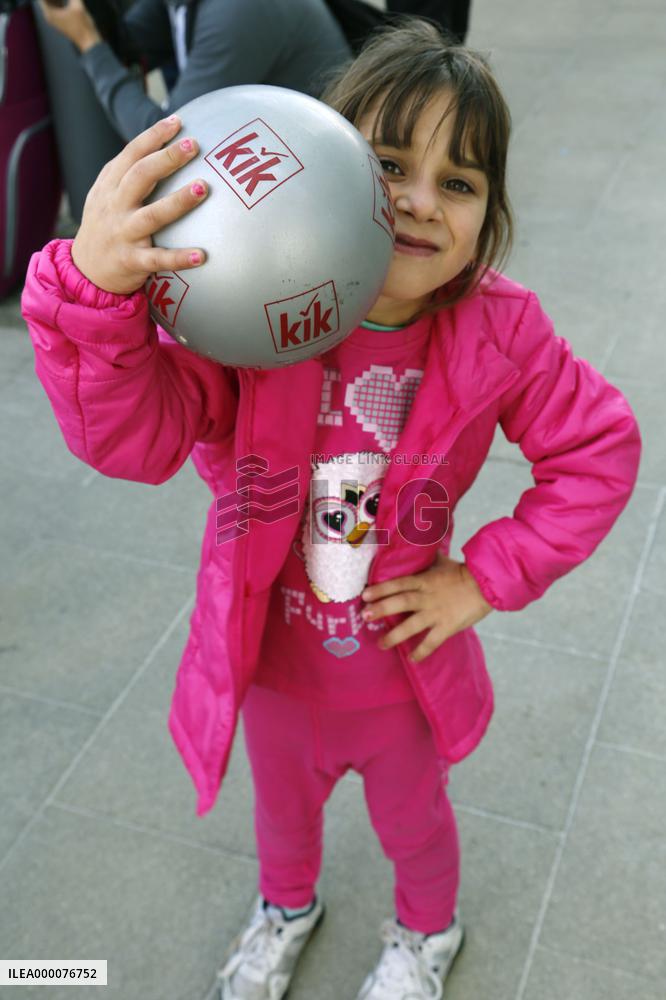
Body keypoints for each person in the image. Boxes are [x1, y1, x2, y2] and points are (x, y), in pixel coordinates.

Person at [20, 19, 641, 1000]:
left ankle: (426, 937)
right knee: (281, 813)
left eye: (461, 182)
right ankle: (286, 908)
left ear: (492, 215)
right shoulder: (247, 311)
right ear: (322, 163)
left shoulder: (499, 329)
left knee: (416, 821)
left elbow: (597, 449)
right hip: (266, 654)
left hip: (400, 666)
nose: (419, 202)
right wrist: (94, 293)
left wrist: (484, 577)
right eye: (390, 162)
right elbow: (129, 439)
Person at [37, 0, 351, 140]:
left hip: (309, 166)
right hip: (267, 145)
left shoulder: (237, 10)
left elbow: (162, 138)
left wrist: (88, 43)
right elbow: (130, 45)